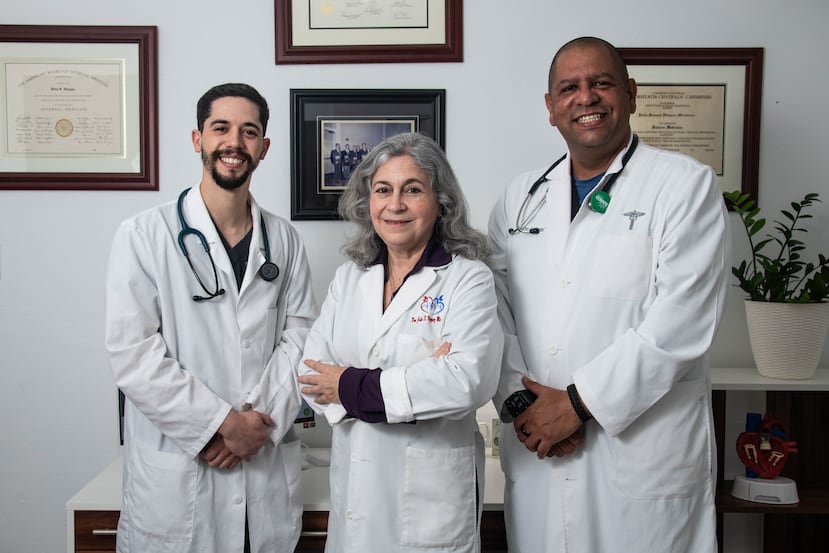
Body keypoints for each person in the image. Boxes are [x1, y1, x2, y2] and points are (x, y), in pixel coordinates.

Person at [487, 37, 730, 552]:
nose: (587, 97)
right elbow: (493, 314)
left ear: (631, 93)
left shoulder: (685, 187)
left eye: (601, 83)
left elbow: (682, 322)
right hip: (539, 448)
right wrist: (522, 402)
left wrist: (577, 405)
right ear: (551, 108)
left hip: (640, 454)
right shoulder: (519, 198)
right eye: (569, 88)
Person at [105, 83, 317, 553]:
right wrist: (221, 423)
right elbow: (133, 355)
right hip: (182, 475)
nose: (234, 143)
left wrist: (252, 429)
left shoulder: (285, 240)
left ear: (264, 148)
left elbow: (301, 338)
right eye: (221, 128)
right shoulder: (143, 235)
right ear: (197, 138)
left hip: (261, 472)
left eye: (249, 132)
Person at [298, 132, 503, 553]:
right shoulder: (350, 277)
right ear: (366, 201)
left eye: (413, 190)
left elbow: (466, 383)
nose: (395, 205)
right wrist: (411, 384)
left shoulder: (469, 279)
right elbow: (310, 372)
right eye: (382, 190)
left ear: (440, 200)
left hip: (430, 506)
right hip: (355, 493)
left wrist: (350, 386)